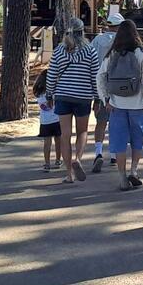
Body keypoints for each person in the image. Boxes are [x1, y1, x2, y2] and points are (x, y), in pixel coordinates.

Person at [96, 19, 143, 191]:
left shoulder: (112, 53)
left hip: (116, 104)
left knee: (119, 141)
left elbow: (100, 76)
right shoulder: (142, 53)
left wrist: (105, 99)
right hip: (138, 104)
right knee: (138, 140)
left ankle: (122, 177)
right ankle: (134, 170)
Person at [46, 18, 102, 183]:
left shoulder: (59, 50)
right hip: (83, 96)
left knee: (65, 135)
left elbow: (52, 74)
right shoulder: (90, 50)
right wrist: (97, 98)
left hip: (63, 95)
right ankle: (77, 158)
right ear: (82, 31)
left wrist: (49, 94)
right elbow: (95, 76)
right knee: (82, 132)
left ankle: (69, 174)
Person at [88, 6, 125, 171]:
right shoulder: (123, 41)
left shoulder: (97, 40)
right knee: (116, 122)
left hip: (101, 85)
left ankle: (98, 152)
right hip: (119, 85)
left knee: (101, 121)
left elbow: (91, 62)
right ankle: (114, 154)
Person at [32, 69, 61, 172]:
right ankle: (58, 160)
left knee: (47, 143)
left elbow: (42, 106)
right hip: (57, 119)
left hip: (45, 121)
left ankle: (47, 163)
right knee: (58, 141)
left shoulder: (39, 92)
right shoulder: (56, 89)